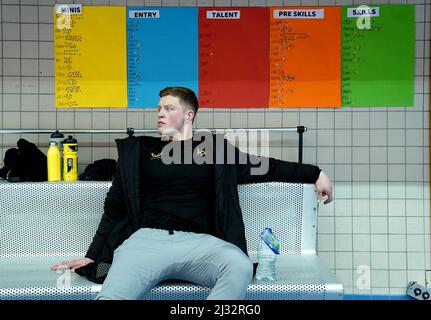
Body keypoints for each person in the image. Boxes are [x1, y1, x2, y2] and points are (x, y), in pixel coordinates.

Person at [51, 86, 333, 300]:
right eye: (159, 108)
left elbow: (266, 167)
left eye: (168, 108)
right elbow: (113, 209)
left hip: (202, 246)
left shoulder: (213, 150)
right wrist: (93, 255)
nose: (160, 113)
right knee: (112, 295)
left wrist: (314, 173)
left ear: (189, 115)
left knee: (239, 266)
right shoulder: (139, 152)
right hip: (146, 243)